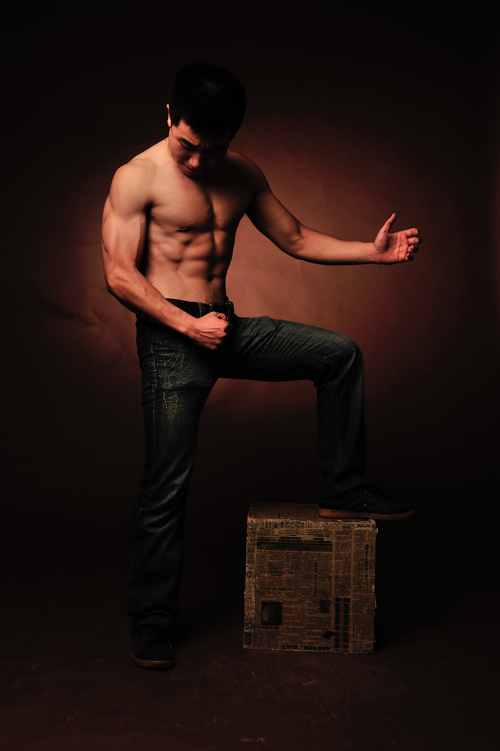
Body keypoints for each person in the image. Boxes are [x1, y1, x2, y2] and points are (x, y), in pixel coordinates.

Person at [101, 63, 420, 671]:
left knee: (339, 354)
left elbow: (295, 238)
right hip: (172, 337)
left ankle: (343, 487)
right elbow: (119, 274)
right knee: (166, 485)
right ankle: (153, 618)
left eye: (213, 149)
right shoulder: (136, 177)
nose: (199, 161)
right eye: (187, 146)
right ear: (169, 117)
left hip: (224, 327)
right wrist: (186, 325)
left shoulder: (243, 173)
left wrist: (372, 254)